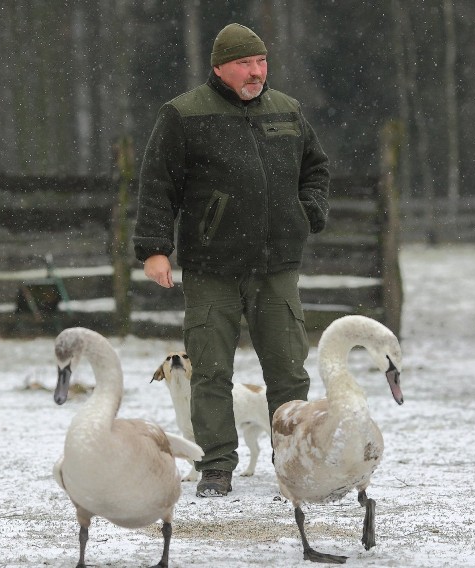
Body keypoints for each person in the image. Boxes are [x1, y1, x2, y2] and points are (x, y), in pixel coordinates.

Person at [133, 23, 330, 498]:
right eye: (245, 63)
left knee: (288, 369)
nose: (255, 72)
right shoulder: (183, 114)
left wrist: (307, 213)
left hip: (276, 264)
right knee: (212, 370)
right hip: (212, 267)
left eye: (261, 62)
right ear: (220, 66)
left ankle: (294, 462)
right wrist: (155, 248)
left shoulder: (287, 110)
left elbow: (316, 169)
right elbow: (158, 184)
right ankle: (216, 465)